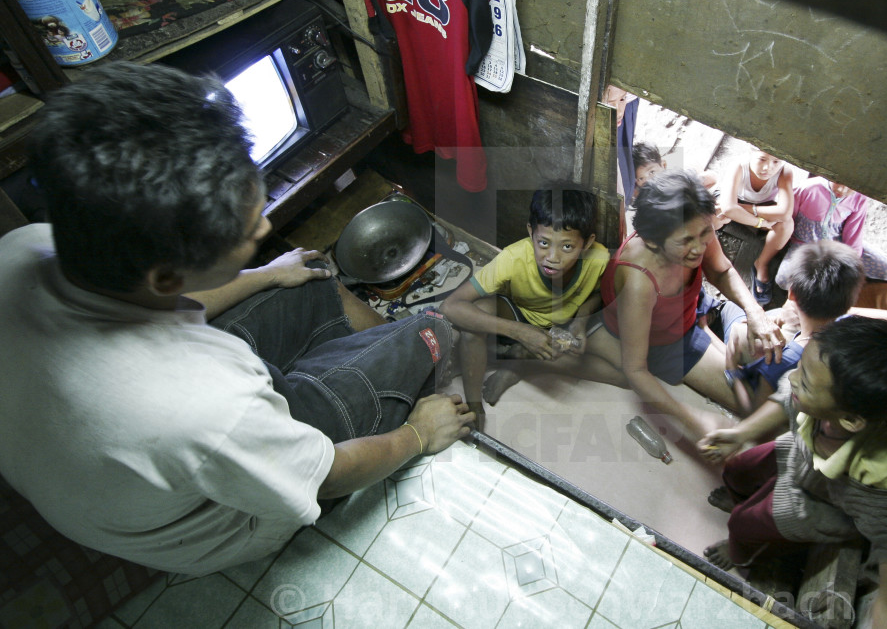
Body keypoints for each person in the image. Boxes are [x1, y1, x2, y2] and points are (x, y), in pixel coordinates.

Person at [0, 62, 474, 576]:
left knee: (308, 275)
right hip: (230, 518)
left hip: (131, 442)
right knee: (422, 331)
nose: (267, 224)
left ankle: (345, 363)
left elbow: (158, 306)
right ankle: (397, 367)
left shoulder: (24, 247)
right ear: (168, 276)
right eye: (251, 229)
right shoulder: (202, 407)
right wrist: (418, 436)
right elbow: (326, 475)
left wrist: (266, 273)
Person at [699, 317, 887, 629]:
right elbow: (784, 402)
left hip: (819, 505)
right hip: (799, 455)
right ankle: (743, 497)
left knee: (744, 525)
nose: (793, 380)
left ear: (850, 420)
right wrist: (741, 433)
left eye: (804, 383)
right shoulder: (814, 391)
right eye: (800, 369)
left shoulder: (879, 471)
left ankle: (739, 552)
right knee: (738, 469)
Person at [583, 169, 786, 445]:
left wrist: (755, 313)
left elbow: (722, 271)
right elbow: (636, 369)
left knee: (764, 357)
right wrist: (693, 419)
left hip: (692, 309)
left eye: (705, 233)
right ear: (653, 241)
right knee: (756, 407)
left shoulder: (693, 226)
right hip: (666, 339)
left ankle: (717, 322)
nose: (699, 247)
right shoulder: (639, 281)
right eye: (685, 242)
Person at [440, 183, 621, 429]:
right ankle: (473, 408)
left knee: (628, 374)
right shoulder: (512, 259)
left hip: (566, 322)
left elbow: (598, 292)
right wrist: (520, 332)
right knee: (474, 321)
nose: (552, 257)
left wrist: (581, 321)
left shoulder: (599, 258)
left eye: (567, 246)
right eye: (543, 243)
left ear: (587, 243)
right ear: (530, 233)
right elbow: (451, 306)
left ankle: (524, 363)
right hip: (518, 316)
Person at [713, 239, 864, 420]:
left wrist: (732, 370)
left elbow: (754, 415)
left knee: (731, 311)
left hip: (761, 383)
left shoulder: (780, 360)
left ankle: (709, 325)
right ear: (850, 303)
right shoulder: (847, 331)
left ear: (791, 294)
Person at [774, 176, 887, 292]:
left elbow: (853, 237)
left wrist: (850, 265)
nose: (841, 189)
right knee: (783, 281)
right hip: (804, 246)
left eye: (850, 186)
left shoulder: (859, 198)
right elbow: (787, 221)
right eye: (837, 181)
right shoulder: (808, 188)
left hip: (838, 246)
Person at [714, 144, 796, 306]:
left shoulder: (785, 171)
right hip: (738, 206)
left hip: (757, 207)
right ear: (751, 153)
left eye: (776, 162)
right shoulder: (738, 166)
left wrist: (744, 210)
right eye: (762, 159)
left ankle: (762, 263)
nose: (768, 168)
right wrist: (759, 223)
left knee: (787, 224)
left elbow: (785, 212)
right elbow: (728, 207)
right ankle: (714, 259)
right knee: (714, 214)